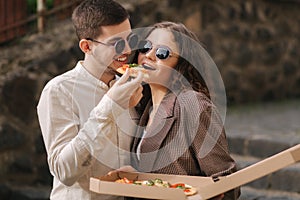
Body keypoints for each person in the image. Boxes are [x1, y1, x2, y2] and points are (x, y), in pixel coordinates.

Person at [37, 0, 144, 199]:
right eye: (116, 43)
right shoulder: (59, 91)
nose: (128, 50)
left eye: (130, 39)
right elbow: (65, 172)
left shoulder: (130, 84)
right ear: (87, 46)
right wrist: (110, 106)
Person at [130, 22, 240, 199]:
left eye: (162, 53)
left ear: (181, 65)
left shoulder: (193, 105)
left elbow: (227, 183)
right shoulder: (144, 107)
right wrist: (133, 175)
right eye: (145, 47)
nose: (149, 56)